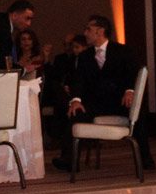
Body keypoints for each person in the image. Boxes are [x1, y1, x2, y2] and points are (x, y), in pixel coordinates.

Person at [58, 15, 147, 170]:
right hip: (96, 103)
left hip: (120, 101)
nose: (85, 33)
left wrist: (130, 90)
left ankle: (145, 159)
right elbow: (78, 80)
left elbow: (133, 73)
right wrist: (76, 100)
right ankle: (69, 161)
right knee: (75, 112)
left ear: (100, 31)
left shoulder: (123, 51)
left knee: (138, 113)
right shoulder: (85, 56)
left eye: (88, 29)